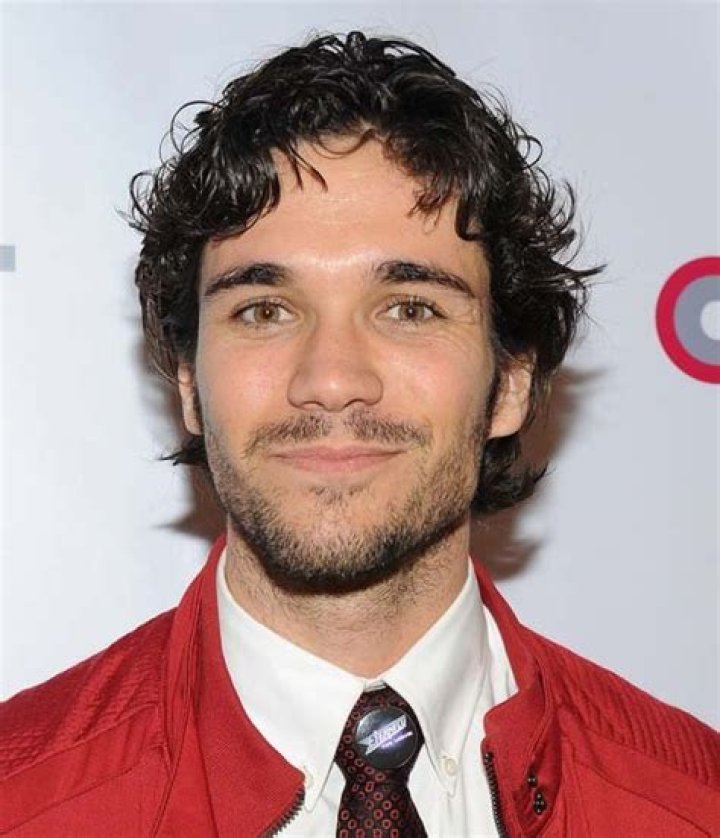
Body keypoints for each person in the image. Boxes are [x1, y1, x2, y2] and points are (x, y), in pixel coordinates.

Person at [1, 31, 717, 837]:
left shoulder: (691, 807)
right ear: (189, 384)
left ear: (511, 382)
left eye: (409, 309)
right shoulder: (24, 804)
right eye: (264, 311)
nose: (332, 378)